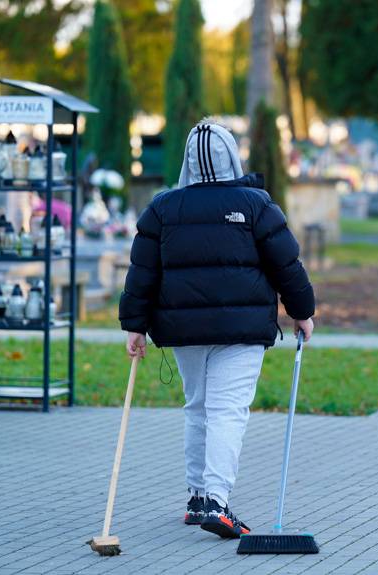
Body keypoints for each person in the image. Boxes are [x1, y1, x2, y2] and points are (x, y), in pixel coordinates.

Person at [119, 120, 315, 538]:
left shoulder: (163, 208)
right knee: (227, 410)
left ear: (188, 160)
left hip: (183, 329)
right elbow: (286, 264)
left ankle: (197, 497)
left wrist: (134, 325)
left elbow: (142, 271)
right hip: (241, 329)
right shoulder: (256, 204)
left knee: (198, 406)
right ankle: (217, 501)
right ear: (232, 156)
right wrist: (303, 311)